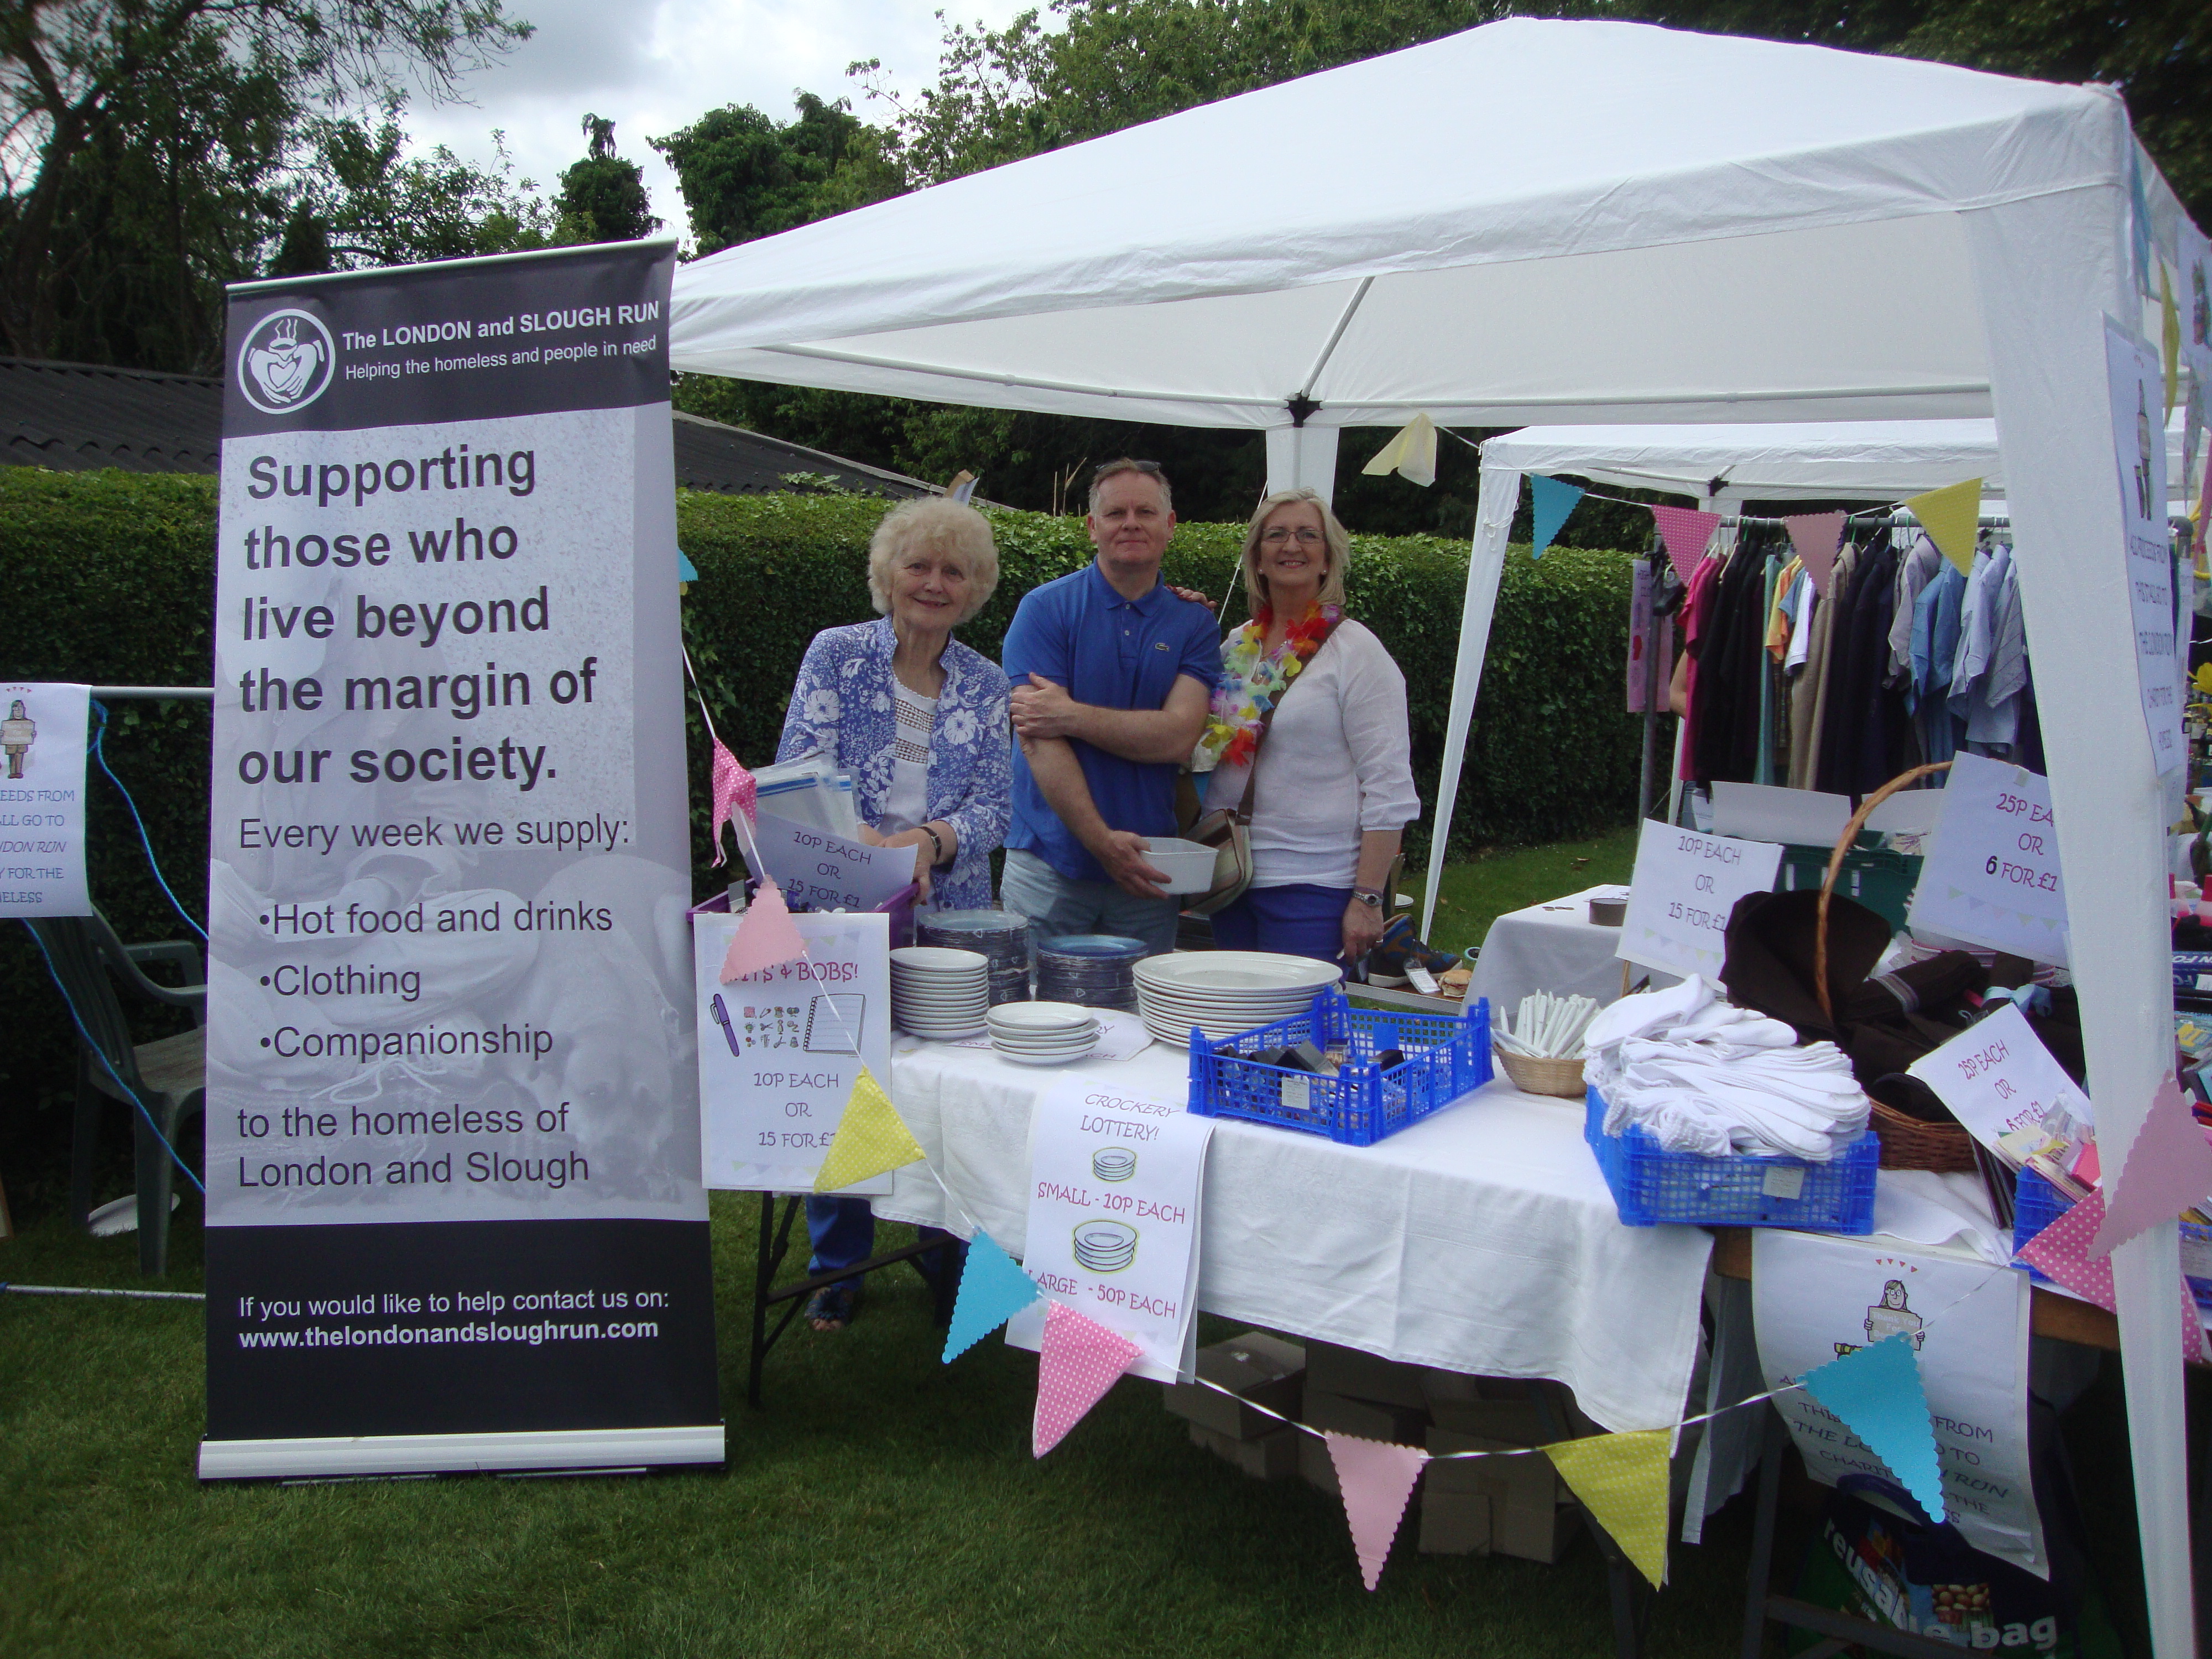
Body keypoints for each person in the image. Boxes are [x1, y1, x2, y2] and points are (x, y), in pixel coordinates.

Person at [775, 495, 1011, 1329]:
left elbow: (997, 808)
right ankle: (836, 1266)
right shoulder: (837, 655)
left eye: (955, 570)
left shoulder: (987, 683)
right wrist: (864, 844)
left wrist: (932, 840)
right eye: (919, 565)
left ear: (976, 585)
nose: (935, 583)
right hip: (841, 908)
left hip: (948, 920)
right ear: (889, 575)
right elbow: (800, 771)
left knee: (948, 1091)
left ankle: (946, 1261)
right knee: (849, 1086)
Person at [1191, 488, 1420, 966]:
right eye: (1276, 535)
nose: (1290, 545)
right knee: (1238, 1027)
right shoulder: (1237, 645)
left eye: (1307, 535)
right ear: (1256, 558)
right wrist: (1176, 614)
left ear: (1327, 560)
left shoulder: (1356, 652)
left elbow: (1389, 785)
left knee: (1300, 1036)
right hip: (1230, 875)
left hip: (1313, 885)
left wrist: (1369, 897)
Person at [1002, 460, 1220, 953]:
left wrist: (1072, 715)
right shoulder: (1045, 608)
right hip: (1048, 865)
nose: (1130, 522)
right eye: (1115, 512)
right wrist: (1102, 843)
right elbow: (1039, 740)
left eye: (1146, 511)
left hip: (1148, 869)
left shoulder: (1193, 624)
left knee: (1144, 1022)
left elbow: (1178, 737)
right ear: (1092, 526)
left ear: (1170, 526)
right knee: (1032, 1018)